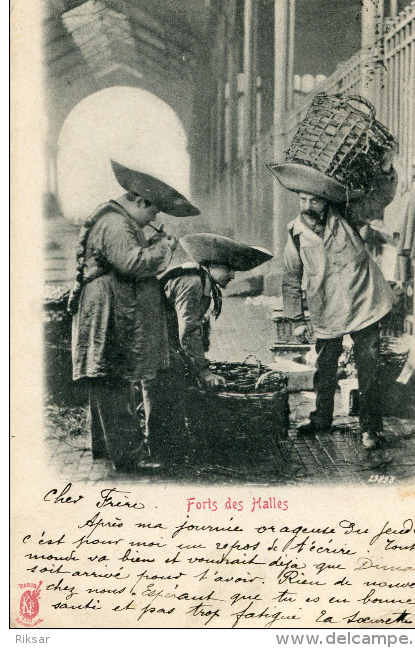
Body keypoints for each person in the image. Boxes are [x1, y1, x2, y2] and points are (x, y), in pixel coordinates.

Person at [68, 158, 200, 472]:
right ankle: (130, 457)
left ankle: (112, 450)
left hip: (109, 307)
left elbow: (125, 257)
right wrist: (164, 248)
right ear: (138, 201)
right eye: (153, 211)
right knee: (111, 379)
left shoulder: (119, 221)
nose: (153, 217)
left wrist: (150, 244)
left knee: (108, 376)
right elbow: (132, 263)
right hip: (106, 310)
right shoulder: (115, 222)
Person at [269, 157, 397, 449]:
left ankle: (370, 429)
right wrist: (297, 320)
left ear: (326, 201)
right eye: (302, 199)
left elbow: (378, 200)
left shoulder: (348, 217)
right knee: (325, 368)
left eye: (314, 200)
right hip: (326, 307)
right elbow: (290, 278)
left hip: (364, 301)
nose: (307, 206)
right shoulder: (295, 234)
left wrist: (386, 170)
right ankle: (321, 418)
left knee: (370, 367)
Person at [141, 233, 273, 459]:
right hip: (149, 341)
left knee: (170, 389)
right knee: (161, 390)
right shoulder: (192, 283)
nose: (233, 275)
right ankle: (161, 456)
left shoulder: (201, 280)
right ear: (211, 266)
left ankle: (168, 449)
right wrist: (203, 370)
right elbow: (188, 330)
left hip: (161, 340)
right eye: (228, 269)